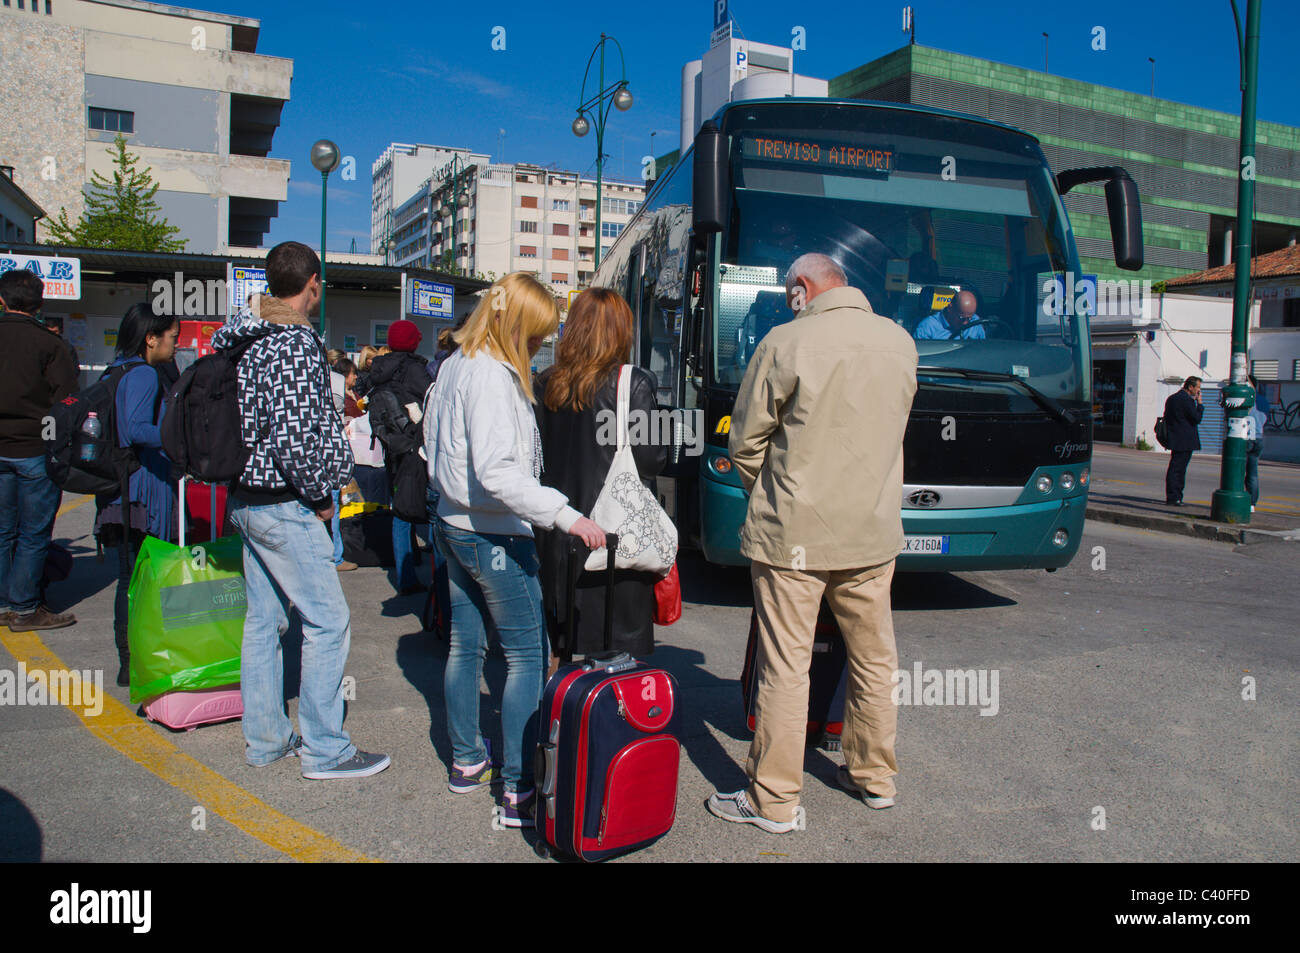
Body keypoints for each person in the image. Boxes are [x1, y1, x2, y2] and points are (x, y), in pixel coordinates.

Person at [707, 253, 917, 833]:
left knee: (786, 667)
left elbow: (745, 441)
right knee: (876, 660)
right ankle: (875, 779)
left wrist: (772, 498)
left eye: (788, 292)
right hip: (873, 533)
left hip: (793, 537)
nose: (787, 301)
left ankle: (773, 801)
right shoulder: (900, 342)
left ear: (803, 288)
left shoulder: (786, 340)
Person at [423, 272, 605, 827]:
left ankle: (467, 760)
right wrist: (567, 516)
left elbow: (433, 447)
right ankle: (521, 788)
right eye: (537, 334)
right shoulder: (492, 378)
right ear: (518, 325)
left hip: (454, 523)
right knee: (528, 656)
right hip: (494, 531)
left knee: (466, 645)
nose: (540, 345)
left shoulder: (455, 365)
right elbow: (499, 471)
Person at [210, 241, 388, 780]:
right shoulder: (291, 343)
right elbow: (294, 438)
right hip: (286, 503)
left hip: (245, 497)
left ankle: (266, 739)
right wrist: (322, 496)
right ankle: (325, 749)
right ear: (314, 282)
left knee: (264, 622)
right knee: (328, 621)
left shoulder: (242, 338)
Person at [534, 288, 668, 660]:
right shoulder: (634, 383)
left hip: (557, 532)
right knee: (615, 648)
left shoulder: (545, 382)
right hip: (612, 538)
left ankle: (560, 714)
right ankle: (603, 716)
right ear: (621, 331)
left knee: (560, 647)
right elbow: (653, 459)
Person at [94, 303, 181, 685]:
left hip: (120, 490)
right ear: (151, 338)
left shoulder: (117, 369)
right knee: (143, 578)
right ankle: (136, 660)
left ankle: (129, 660)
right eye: (172, 338)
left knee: (129, 577)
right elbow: (135, 430)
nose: (175, 345)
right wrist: (176, 437)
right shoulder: (144, 374)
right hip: (143, 492)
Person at [0, 269, 79, 631]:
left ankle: (4, 604)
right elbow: (67, 401)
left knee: (3, 530)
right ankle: (26, 607)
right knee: (33, 533)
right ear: (39, 303)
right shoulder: (51, 345)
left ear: (2, 301)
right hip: (35, 447)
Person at [366, 319, 434, 595]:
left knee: (399, 509)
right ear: (414, 342)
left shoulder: (378, 368)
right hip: (415, 445)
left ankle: (404, 574)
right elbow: (432, 400)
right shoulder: (415, 370)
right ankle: (435, 575)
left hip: (390, 445)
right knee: (429, 507)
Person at [1163, 376, 1203, 506]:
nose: (1198, 391)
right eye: (1198, 388)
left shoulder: (1172, 398)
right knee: (1179, 470)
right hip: (1185, 439)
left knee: (1175, 468)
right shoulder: (1186, 400)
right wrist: (1200, 404)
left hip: (1175, 437)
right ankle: (1175, 497)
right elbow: (1196, 418)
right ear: (1190, 387)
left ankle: (1173, 496)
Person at [914, 289, 986, 340]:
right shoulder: (928, 327)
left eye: (969, 318)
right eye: (962, 318)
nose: (966, 323)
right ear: (950, 308)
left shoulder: (975, 323)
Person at [1245, 375, 1267, 513]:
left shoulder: (1248, 398)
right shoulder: (1262, 400)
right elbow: (1265, 418)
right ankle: (1252, 503)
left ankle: (1243, 498)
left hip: (1248, 436)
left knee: (1239, 469)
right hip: (1259, 437)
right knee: (1253, 472)